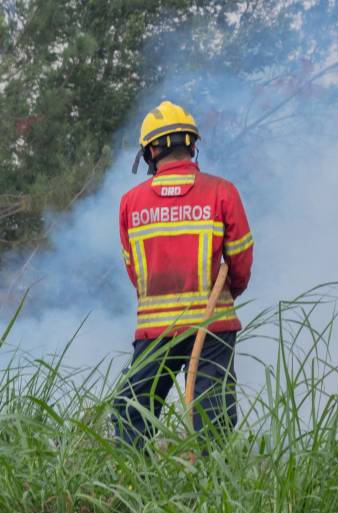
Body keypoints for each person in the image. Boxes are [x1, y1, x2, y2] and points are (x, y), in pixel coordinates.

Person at [113, 100, 254, 450]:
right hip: (213, 326)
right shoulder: (222, 191)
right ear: (191, 145)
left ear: (150, 151)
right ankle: (214, 489)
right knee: (213, 416)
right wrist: (228, 293)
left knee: (133, 412)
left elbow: (134, 271)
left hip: (154, 329)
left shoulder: (130, 203)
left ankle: (134, 490)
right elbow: (241, 259)